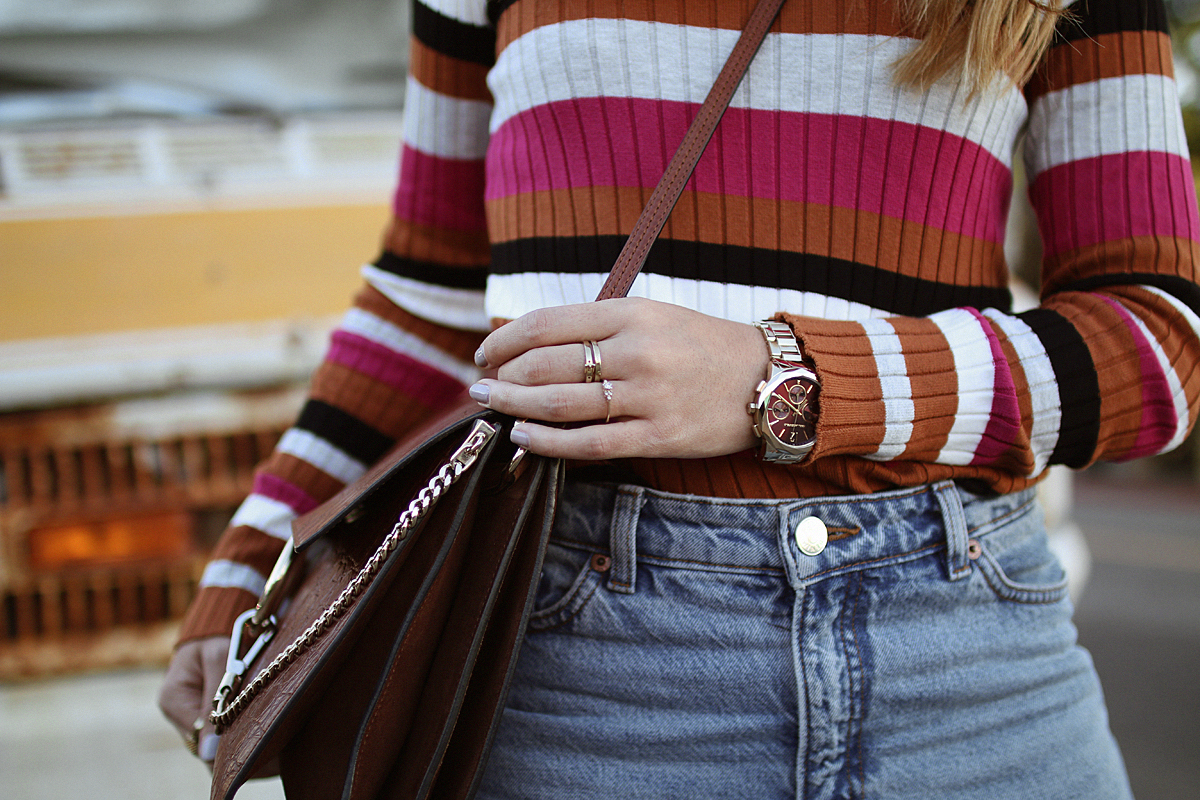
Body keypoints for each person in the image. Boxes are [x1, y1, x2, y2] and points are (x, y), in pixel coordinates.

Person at [160, 0, 1200, 796]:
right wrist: (251, 564)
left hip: (968, 657)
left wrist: (779, 378)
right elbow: (424, 301)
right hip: (577, 655)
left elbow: (1161, 343)